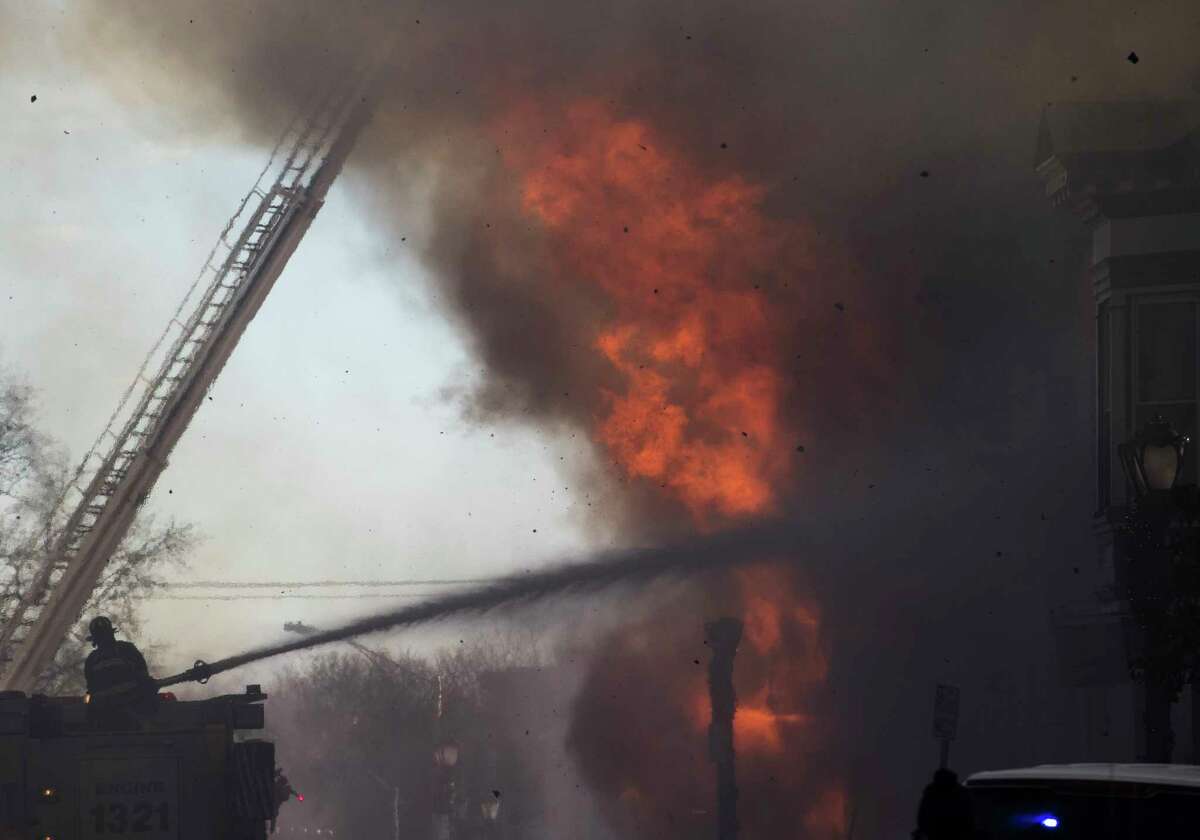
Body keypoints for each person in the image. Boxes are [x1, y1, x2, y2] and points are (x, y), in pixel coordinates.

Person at [83, 616, 157, 723]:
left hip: (114, 712)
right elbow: (143, 676)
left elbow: (92, 689)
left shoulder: (92, 659)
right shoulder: (127, 649)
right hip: (125, 710)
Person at [913, 767, 975, 840]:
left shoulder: (931, 792)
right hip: (957, 833)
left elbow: (923, 816)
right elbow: (969, 816)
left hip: (935, 833)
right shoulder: (961, 793)